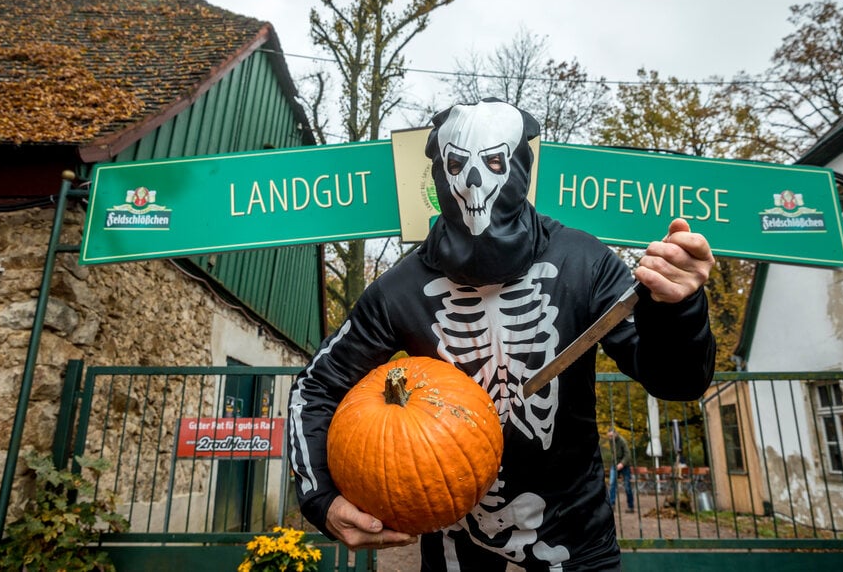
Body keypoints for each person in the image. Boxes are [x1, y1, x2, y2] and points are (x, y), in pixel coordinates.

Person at [288, 99, 716, 571]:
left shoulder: (583, 261)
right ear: (439, 174)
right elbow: (316, 385)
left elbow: (678, 381)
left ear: (518, 168)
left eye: (493, 163)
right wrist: (320, 497)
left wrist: (679, 308)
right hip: (453, 533)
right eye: (457, 165)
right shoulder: (400, 289)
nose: (473, 182)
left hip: (575, 537)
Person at [607, 428, 634, 513]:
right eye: (609, 436)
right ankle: (612, 504)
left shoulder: (622, 441)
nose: (610, 438)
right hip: (615, 465)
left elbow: (628, 455)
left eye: (611, 436)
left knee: (627, 486)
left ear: (615, 434)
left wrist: (622, 464)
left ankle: (631, 506)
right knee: (612, 484)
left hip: (625, 465)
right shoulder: (611, 441)